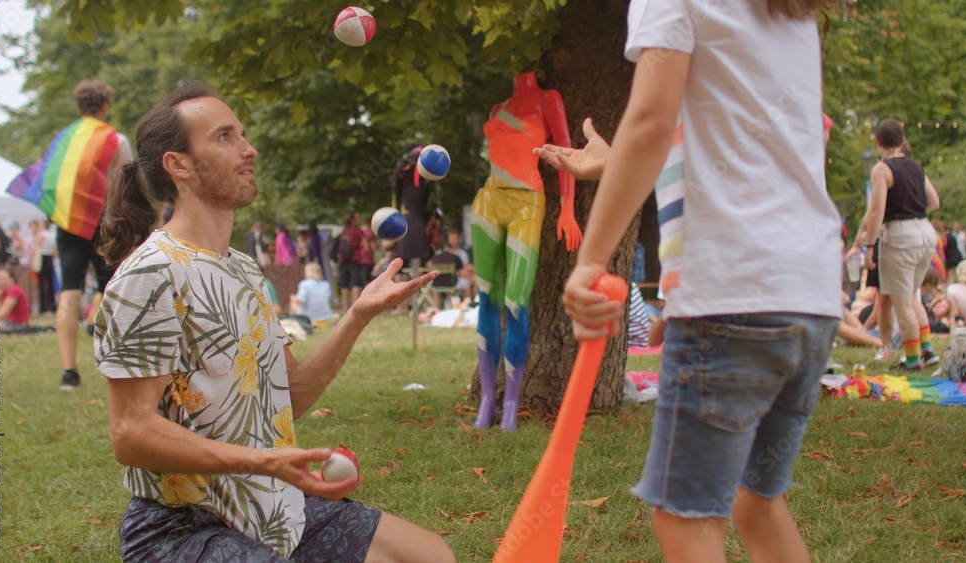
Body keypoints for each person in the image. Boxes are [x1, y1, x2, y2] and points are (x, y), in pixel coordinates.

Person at [93, 83, 453, 562]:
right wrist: (263, 461)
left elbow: (290, 394)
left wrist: (357, 315)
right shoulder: (150, 274)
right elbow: (130, 432)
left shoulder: (243, 269)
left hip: (273, 509)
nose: (249, 149)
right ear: (178, 165)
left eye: (242, 134)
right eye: (225, 137)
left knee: (430, 556)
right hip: (183, 527)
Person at [545, 2, 841, 560]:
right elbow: (739, 146)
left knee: (686, 519)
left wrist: (590, 261)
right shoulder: (790, 9)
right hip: (810, 293)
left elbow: (651, 123)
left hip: (734, 293)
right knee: (757, 505)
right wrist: (684, 296)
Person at [470, 70, 582, 431]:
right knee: (487, 298)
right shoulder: (497, 107)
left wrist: (567, 206)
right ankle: (487, 399)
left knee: (516, 301)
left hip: (527, 202)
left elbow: (564, 150)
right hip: (489, 200)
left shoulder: (548, 99)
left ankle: (511, 402)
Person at [9, 81, 134, 390]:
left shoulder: (63, 139)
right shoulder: (114, 139)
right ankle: (119, 365)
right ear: (105, 106)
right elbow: (127, 185)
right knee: (113, 290)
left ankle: (69, 372)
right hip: (105, 225)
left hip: (68, 225)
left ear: (79, 107)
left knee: (69, 292)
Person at [857, 119, 941, 369]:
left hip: (900, 239)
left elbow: (876, 210)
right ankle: (926, 350)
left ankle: (912, 361)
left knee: (903, 304)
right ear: (902, 140)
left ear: (878, 142)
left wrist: (869, 246)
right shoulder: (916, 167)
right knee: (912, 297)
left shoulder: (882, 169)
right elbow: (934, 202)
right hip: (926, 234)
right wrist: (913, 211)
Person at [291, 262, 336, 327]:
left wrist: (293, 298)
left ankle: (297, 320)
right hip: (326, 316)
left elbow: (300, 300)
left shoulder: (304, 284)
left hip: (309, 317)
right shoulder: (326, 284)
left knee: (293, 301)